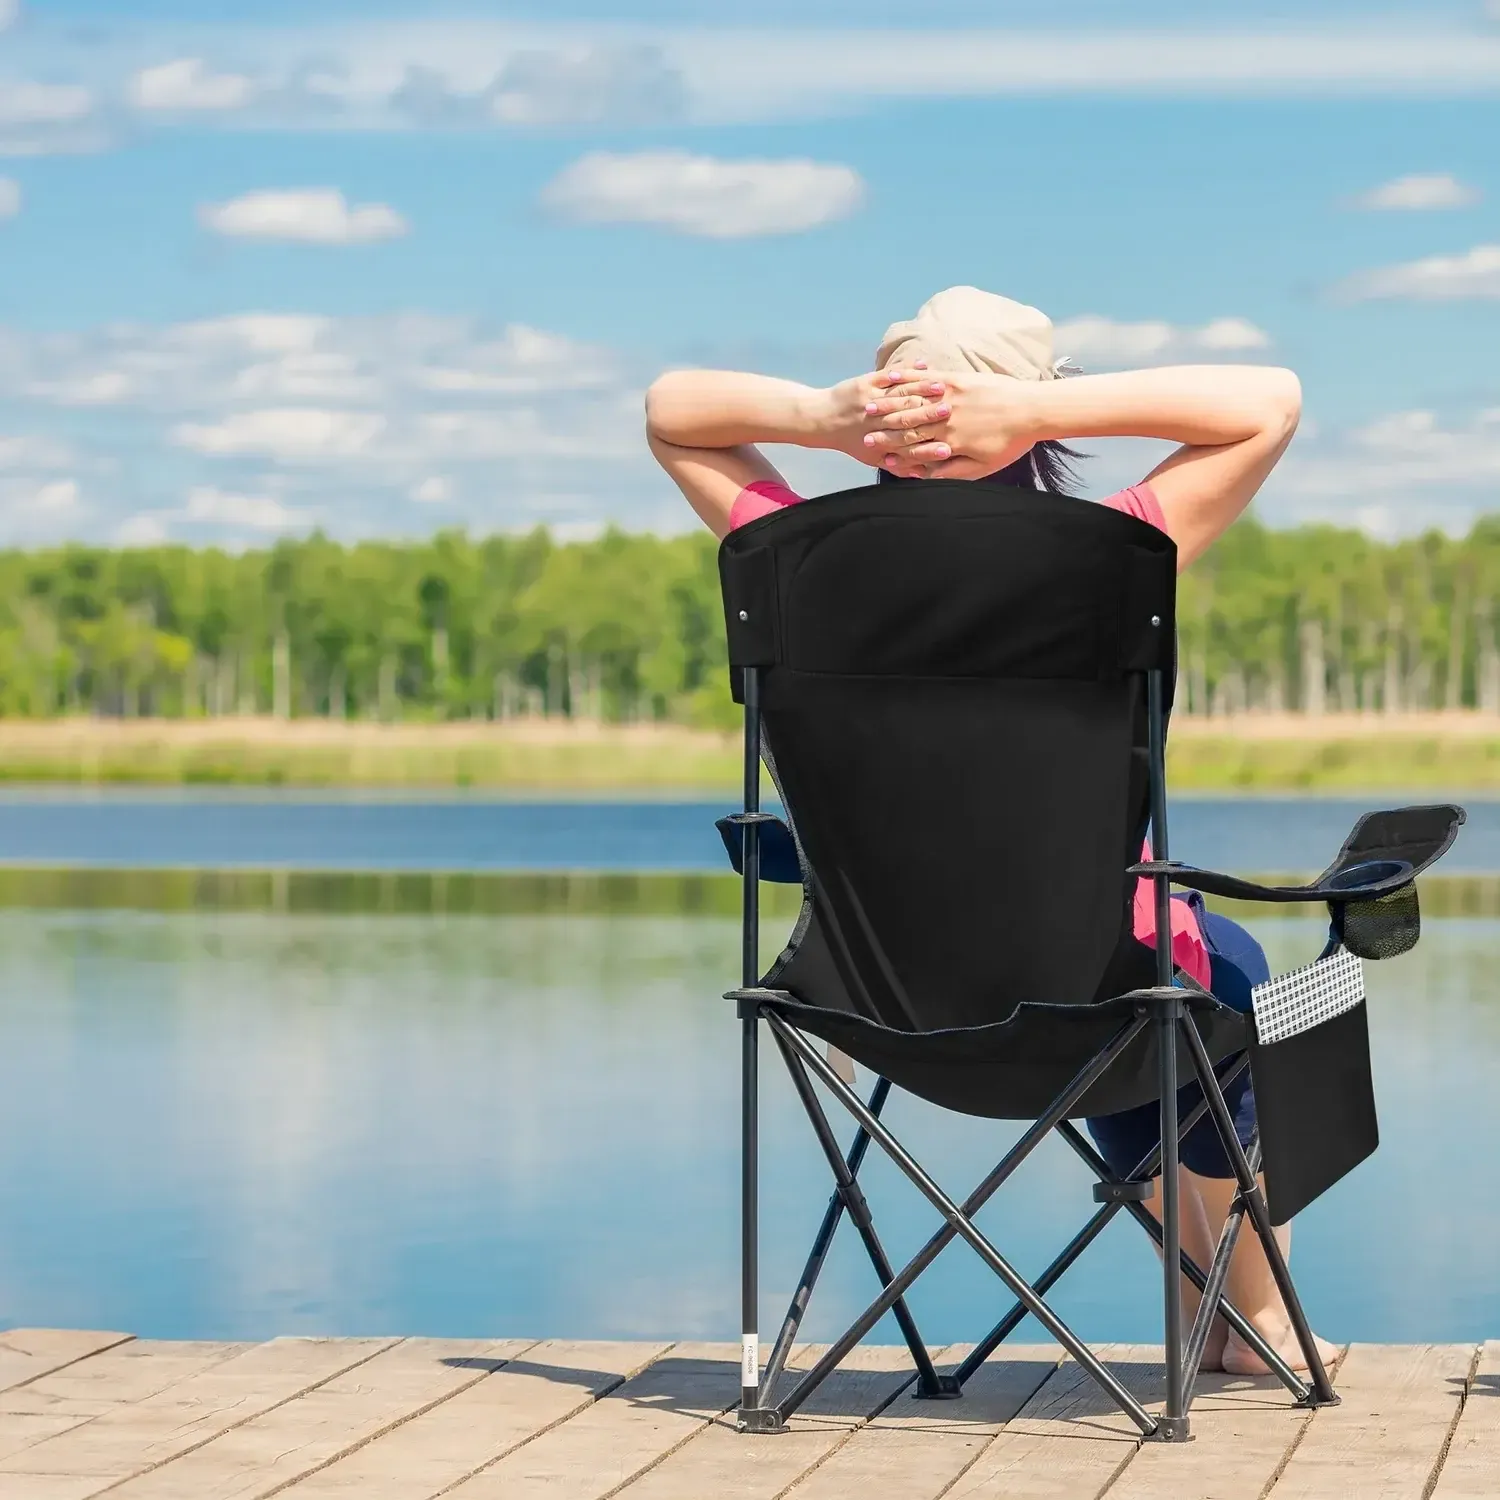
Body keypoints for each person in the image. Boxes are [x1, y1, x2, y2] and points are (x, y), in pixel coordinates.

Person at [644, 285, 1335, 1377]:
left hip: (876, 1007)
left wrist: (828, 421)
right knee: (1227, 974)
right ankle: (1252, 1324)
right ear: (1029, 417)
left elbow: (670, 411)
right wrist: (1036, 414)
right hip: (1099, 995)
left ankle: (1219, 1315)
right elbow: (1271, 402)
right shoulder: (1114, 552)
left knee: (1154, 977)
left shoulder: (786, 554)